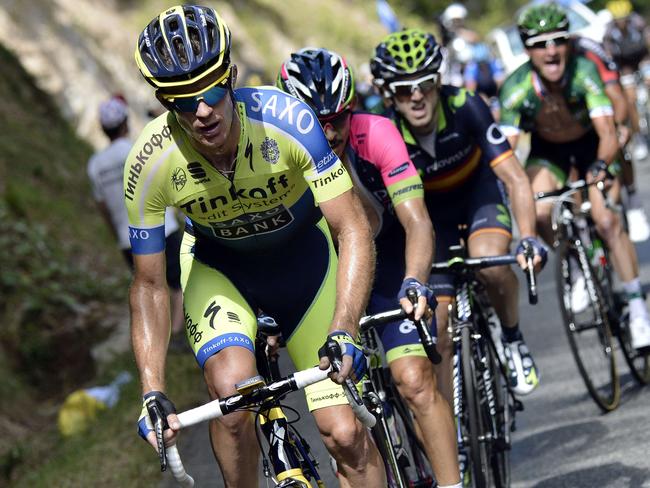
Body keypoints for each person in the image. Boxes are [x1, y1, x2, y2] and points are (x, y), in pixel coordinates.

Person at [128, 5, 385, 487]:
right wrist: (152, 388)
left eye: (210, 91)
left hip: (305, 267)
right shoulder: (149, 163)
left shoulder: (288, 121)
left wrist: (346, 326)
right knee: (232, 402)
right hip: (222, 272)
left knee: (345, 434)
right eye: (183, 101)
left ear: (231, 77)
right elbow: (148, 285)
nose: (202, 111)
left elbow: (351, 227)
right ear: (164, 103)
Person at [277, 47, 461, 488]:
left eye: (338, 117)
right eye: (316, 120)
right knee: (345, 429)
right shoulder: (276, 153)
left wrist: (415, 280)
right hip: (325, 280)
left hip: (391, 261)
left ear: (353, 108)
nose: (329, 130)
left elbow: (416, 220)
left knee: (415, 380)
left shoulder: (375, 133)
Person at [370, 28, 546, 402]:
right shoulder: (385, 132)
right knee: (438, 327)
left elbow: (515, 177)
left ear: (438, 82)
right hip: (430, 220)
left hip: (477, 195)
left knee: (491, 265)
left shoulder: (468, 105)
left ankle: (512, 337)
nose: (416, 96)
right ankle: (457, 433)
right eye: (403, 89)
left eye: (424, 85)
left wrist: (528, 236)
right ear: (389, 94)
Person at [498, 2, 650, 351]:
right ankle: (578, 268)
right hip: (548, 152)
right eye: (539, 43)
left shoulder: (585, 71)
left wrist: (600, 165)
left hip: (591, 145)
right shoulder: (515, 88)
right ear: (526, 49)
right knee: (537, 211)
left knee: (606, 220)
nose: (550, 50)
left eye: (558, 40)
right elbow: (506, 152)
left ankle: (637, 307)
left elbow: (609, 132)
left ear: (569, 43)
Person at [87, 96, 185, 339]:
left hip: (127, 238)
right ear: (125, 123)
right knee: (180, 282)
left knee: (149, 289)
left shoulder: (95, 165)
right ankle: (177, 335)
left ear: (103, 129)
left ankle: (158, 338)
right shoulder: (138, 149)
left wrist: (117, 234)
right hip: (162, 228)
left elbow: (103, 208)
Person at [571, 34, 650, 244]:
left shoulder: (590, 54)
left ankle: (632, 198)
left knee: (618, 137)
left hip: (604, 96)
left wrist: (621, 124)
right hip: (576, 113)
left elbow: (616, 95)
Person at [603, 0, 650, 161]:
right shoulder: (610, 32)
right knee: (630, 100)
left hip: (643, 59)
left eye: (624, 18)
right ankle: (639, 138)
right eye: (619, 19)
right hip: (624, 66)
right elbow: (608, 54)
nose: (622, 22)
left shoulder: (638, 23)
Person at [463, 42, 506, 119]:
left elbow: (501, 83)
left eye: (484, 63)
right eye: (481, 64)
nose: (483, 66)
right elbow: (470, 89)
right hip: (481, 95)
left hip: (494, 94)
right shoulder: (472, 67)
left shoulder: (493, 63)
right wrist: (481, 98)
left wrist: (499, 98)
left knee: (498, 112)